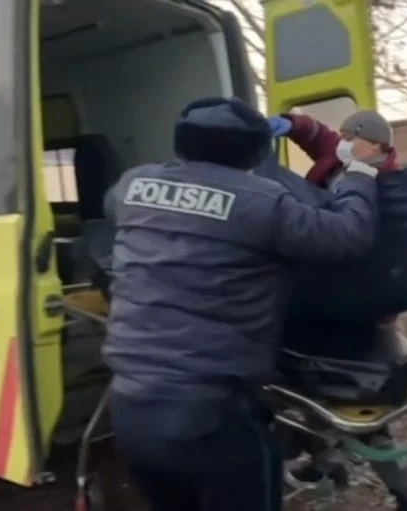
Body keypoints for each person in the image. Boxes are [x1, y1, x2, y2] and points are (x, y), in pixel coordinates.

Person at [102, 97, 385, 511]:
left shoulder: (131, 186)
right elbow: (348, 235)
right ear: (255, 154)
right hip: (209, 416)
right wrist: (360, 173)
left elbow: (120, 208)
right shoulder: (261, 202)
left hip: (130, 410)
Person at [269, 109, 407, 511]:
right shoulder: (340, 157)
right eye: (343, 135)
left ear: (376, 146)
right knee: (316, 392)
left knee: (356, 403)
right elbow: (318, 135)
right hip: (322, 303)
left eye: (352, 137)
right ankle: (327, 465)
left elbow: (381, 251)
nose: (343, 142)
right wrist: (290, 123)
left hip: (359, 313)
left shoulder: (389, 185)